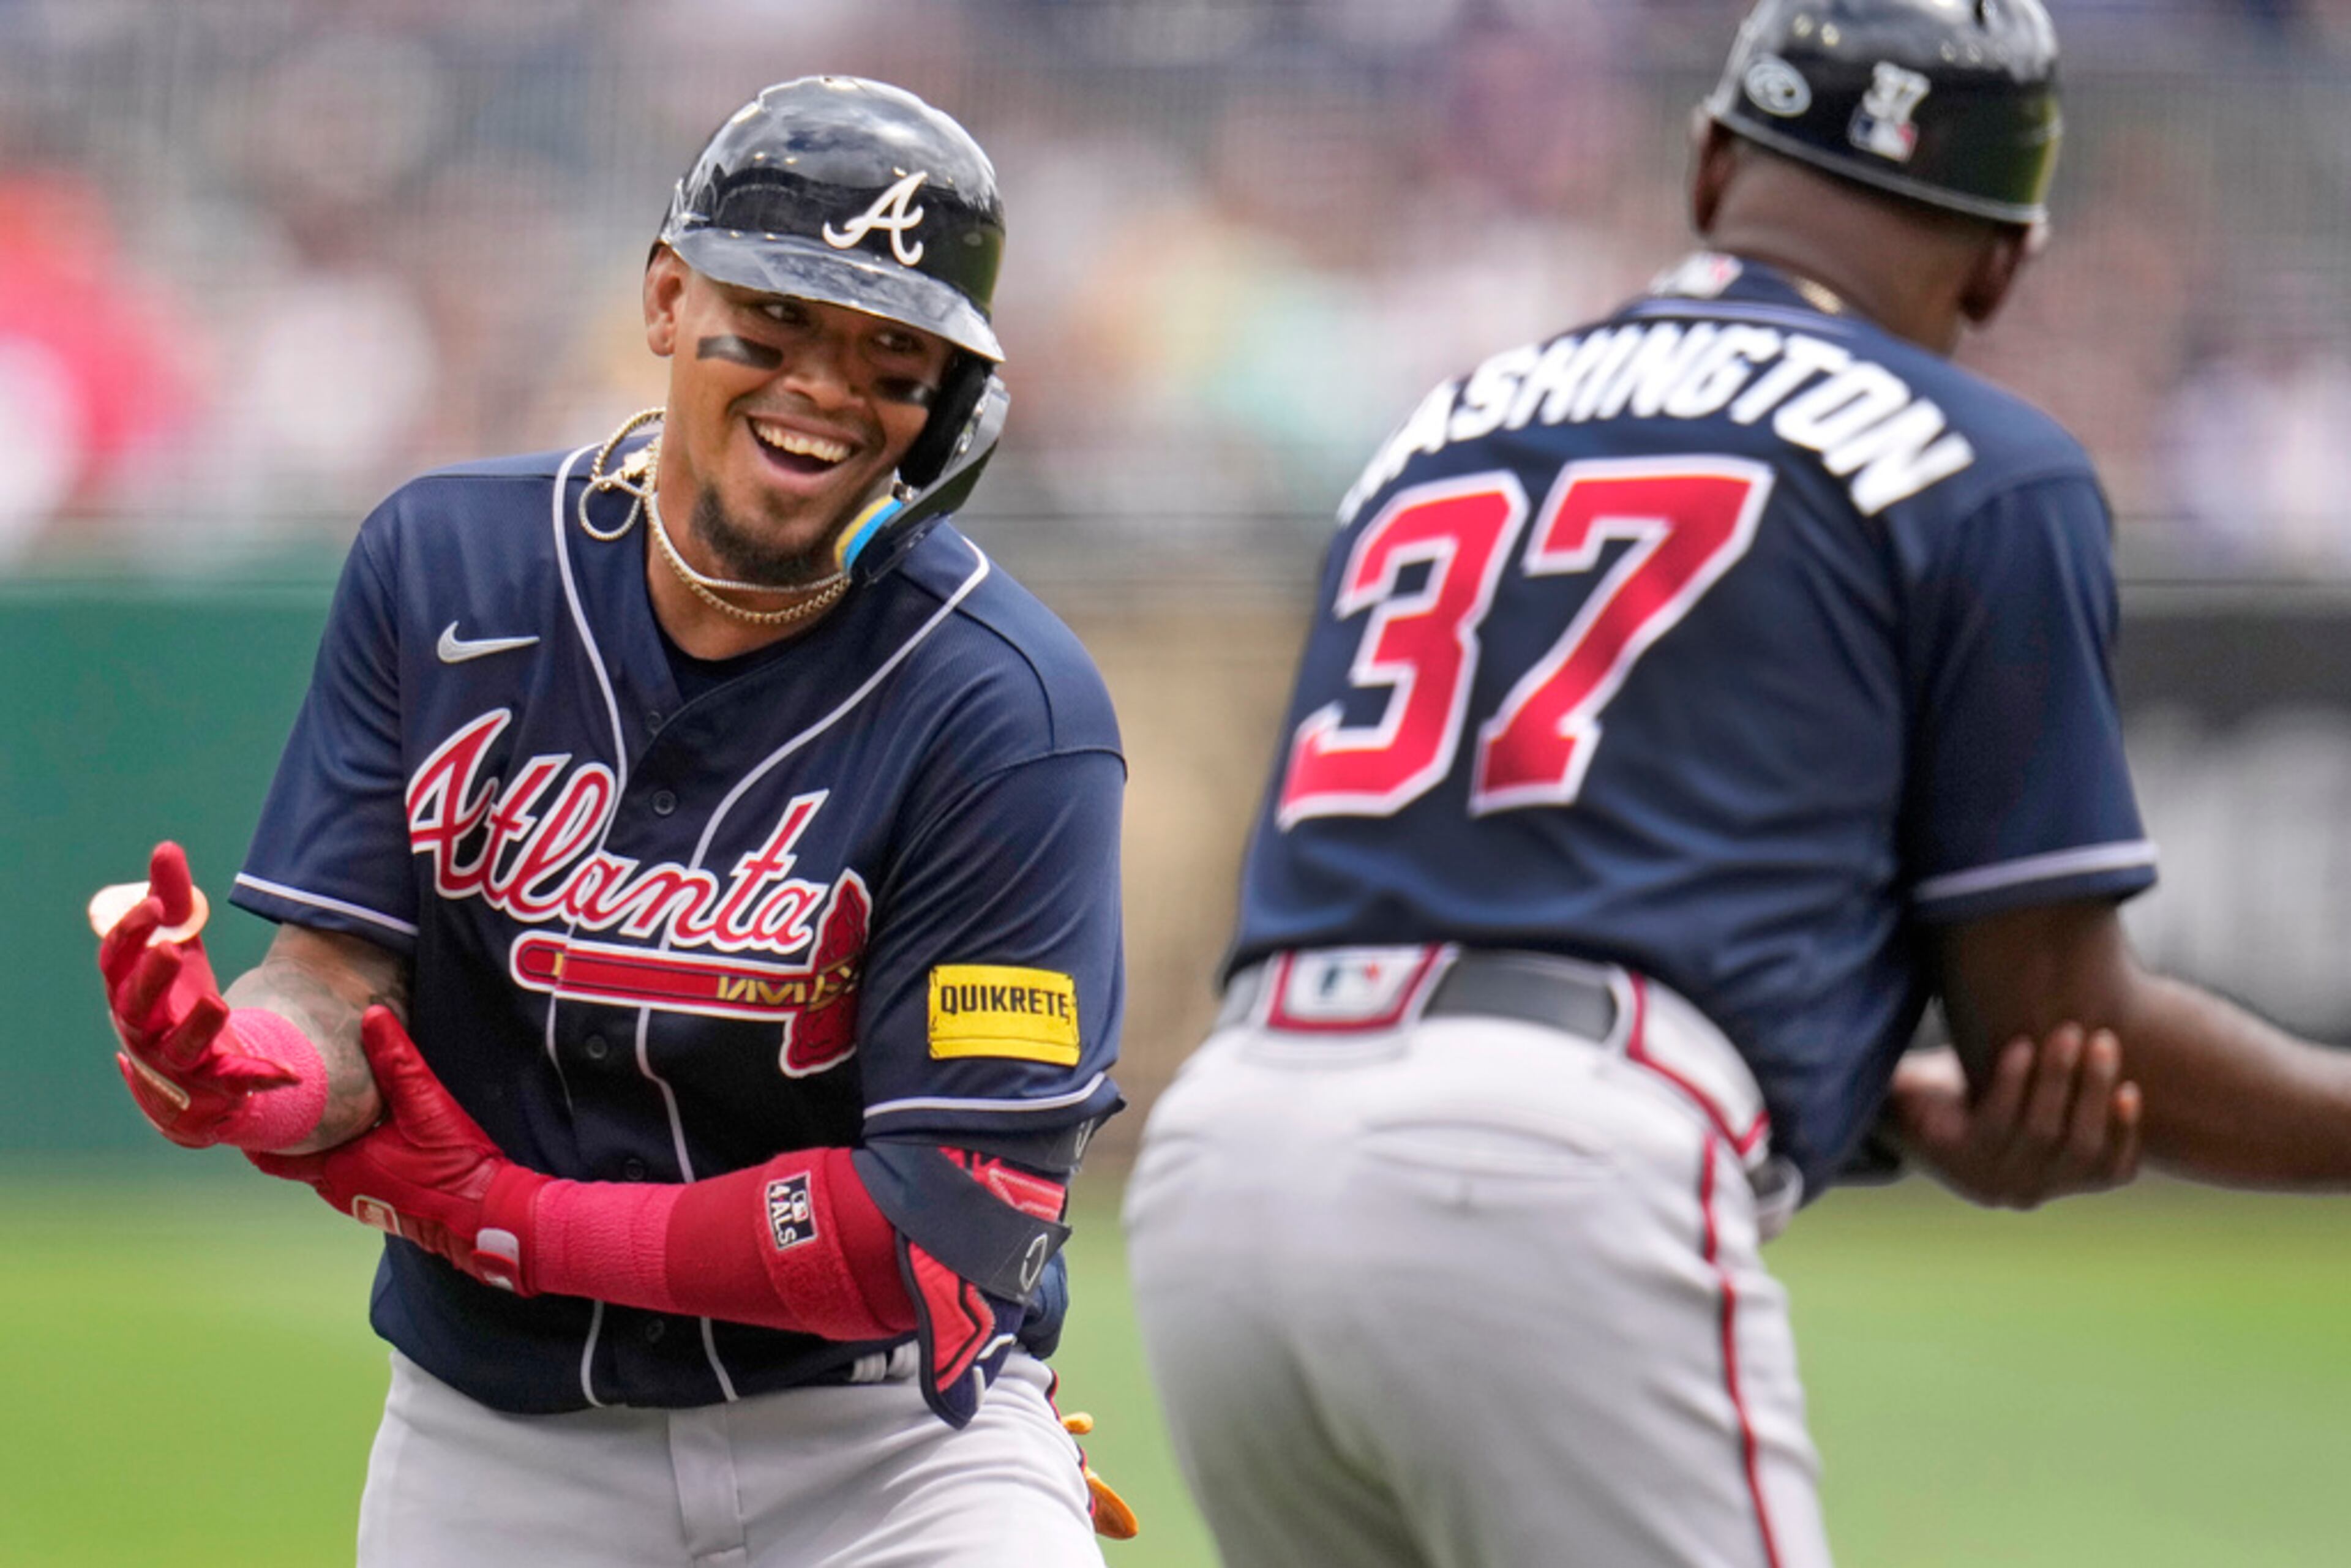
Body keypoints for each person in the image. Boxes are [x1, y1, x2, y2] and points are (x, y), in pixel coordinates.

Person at [1122, 4, 2351, 1565]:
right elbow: (2064, 1032)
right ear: (2003, 261)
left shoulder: (1434, 430)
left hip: (1229, 1162)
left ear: (1710, 165)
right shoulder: (1983, 460)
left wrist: (1875, 1104)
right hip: (1552, 1179)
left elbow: (1488, 908)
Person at [94, 77, 1136, 1566]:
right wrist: (236, 1067)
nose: (826, 388)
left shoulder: (1008, 707)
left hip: (890, 1451)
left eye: (888, 352)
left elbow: (950, 1224)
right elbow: (332, 992)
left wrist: (513, 1217)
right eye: (775, 324)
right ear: (665, 296)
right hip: (497, 1444)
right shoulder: (445, 564)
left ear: (949, 397)